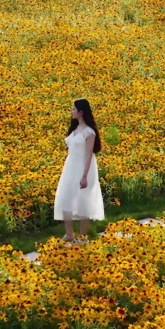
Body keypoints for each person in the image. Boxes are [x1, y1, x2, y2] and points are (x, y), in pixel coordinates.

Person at [54, 98, 105, 244]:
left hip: (84, 168)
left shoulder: (89, 132)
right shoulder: (75, 129)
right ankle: (69, 233)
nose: (72, 111)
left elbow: (89, 154)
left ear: (81, 112)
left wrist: (84, 176)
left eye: (74, 109)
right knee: (64, 199)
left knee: (83, 201)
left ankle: (83, 237)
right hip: (70, 167)